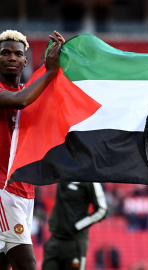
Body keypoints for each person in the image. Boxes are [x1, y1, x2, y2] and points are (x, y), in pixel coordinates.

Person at [0, 30, 64, 270]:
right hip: (3, 191)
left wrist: (63, 60)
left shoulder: (29, 89)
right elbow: (20, 102)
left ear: (26, 60)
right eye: (5, 53)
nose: (12, 58)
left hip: (26, 192)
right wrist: (49, 71)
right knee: (27, 264)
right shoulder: (16, 95)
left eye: (18, 54)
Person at [42, 182, 107, 270]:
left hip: (75, 242)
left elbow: (102, 210)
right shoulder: (63, 171)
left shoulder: (91, 179)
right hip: (55, 238)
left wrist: (78, 225)